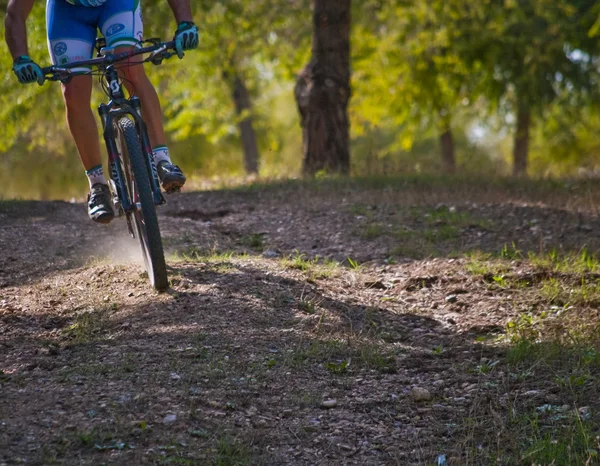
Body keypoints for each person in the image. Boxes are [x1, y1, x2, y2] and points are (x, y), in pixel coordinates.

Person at [4, 0, 199, 223]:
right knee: (73, 91)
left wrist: (185, 23)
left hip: (116, 3)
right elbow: (15, 11)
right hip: (68, 13)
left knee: (129, 66)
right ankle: (97, 185)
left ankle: (162, 159)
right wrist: (21, 58)